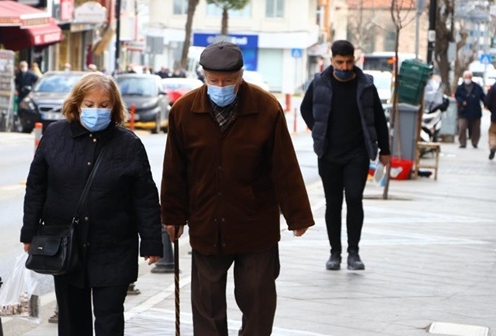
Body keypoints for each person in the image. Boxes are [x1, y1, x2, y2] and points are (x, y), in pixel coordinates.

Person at [161, 41, 314, 336]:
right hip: (207, 223)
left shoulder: (266, 108)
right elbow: (174, 171)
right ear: (203, 76)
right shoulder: (183, 111)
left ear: (240, 76)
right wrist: (172, 215)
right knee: (207, 306)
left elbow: (284, 166)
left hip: (255, 224)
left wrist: (298, 216)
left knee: (258, 301)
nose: (221, 86)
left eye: (228, 81)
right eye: (213, 80)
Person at [20, 72, 162, 336]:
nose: (96, 110)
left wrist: (152, 241)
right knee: (72, 321)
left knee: (109, 319)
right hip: (66, 245)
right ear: (76, 105)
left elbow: (145, 197)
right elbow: (36, 186)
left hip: (114, 246)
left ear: (115, 107)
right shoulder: (55, 136)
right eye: (89, 104)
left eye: (104, 105)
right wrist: (29, 232)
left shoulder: (128, 144)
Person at [300, 40, 391, 271]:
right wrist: (317, 128)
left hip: (357, 154)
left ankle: (354, 253)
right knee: (333, 203)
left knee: (353, 199)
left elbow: (379, 119)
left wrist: (386, 151)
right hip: (328, 153)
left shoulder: (366, 85)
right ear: (332, 61)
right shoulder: (320, 82)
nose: (345, 66)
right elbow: (305, 108)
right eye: (340, 62)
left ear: (355, 60)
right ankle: (334, 253)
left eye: (349, 61)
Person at [455, 70, 486, 149]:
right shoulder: (460, 88)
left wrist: (487, 103)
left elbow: (483, 96)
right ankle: (462, 143)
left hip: (475, 110)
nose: (467, 79)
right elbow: (457, 96)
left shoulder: (477, 87)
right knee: (462, 127)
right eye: (466, 77)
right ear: (463, 77)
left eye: (469, 77)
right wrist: (462, 101)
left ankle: (475, 142)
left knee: (476, 128)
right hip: (464, 111)